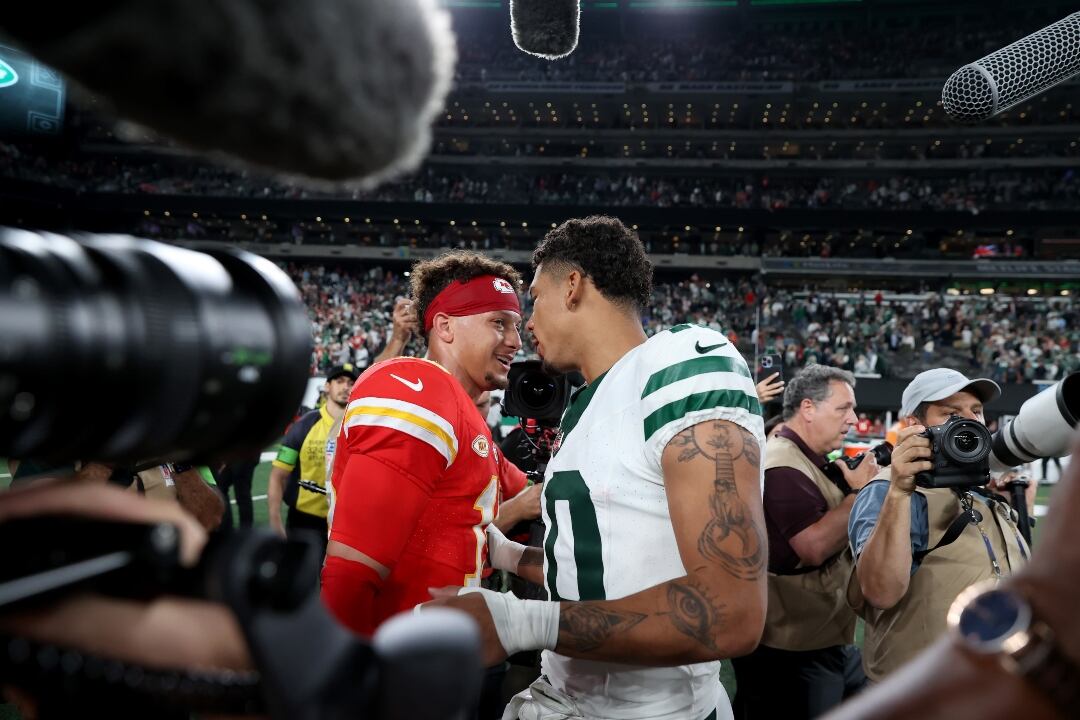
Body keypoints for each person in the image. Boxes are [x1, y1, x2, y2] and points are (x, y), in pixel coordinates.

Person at [427, 216, 767, 720]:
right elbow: (604, 566)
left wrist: (524, 622)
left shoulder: (680, 364)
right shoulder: (584, 407)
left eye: (535, 300)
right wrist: (509, 555)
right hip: (566, 696)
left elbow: (731, 612)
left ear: (572, 286)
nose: (528, 327)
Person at [320, 251, 528, 637]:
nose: (516, 341)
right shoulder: (417, 389)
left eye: (516, 325)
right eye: (499, 323)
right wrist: (347, 667)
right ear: (445, 327)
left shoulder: (462, 413)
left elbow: (517, 501)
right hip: (395, 651)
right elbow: (351, 573)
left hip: (436, 647)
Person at [847, 368, 1033, 683]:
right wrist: (898, 492)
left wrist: (1013, 510)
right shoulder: (886, 491)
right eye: (951, 414)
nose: (971, 421)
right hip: (921, 688)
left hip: (988, 680)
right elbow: (880, 591)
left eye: (976, 411)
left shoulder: (979, 488)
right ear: (913, 426)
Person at [732, 366, 875, 719]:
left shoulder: (800, 455)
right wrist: (859, 492)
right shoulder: (783, 465)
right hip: (793, 646)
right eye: (843, 408)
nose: (854, 419)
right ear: (808, 408)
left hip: (817, 634)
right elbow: (812, 547)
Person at [267, 363, 359, 552]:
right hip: (304, 522)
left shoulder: (360, 428)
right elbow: (278, 476)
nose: (346, 387)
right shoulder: (304, 425)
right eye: (340, 381)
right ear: (327, 386)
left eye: (351, 383)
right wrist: (275, 520)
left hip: (346, 523)